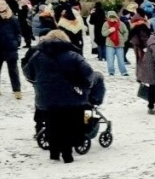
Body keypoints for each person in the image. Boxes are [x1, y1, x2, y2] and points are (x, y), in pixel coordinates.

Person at [21, 29, 102, 163]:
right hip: (71, 97)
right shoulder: (73, 55)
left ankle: (54, 153)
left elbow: (28, 73)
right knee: (70, 125)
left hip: (46, 97)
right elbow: (88, 74)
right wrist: (85, 85)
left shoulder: (38, 55)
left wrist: (40, 83)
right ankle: (67, 154)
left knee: (52, 124)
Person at [102, 11, 129, 76]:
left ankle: (123, 72)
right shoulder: (106, 24)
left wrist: (124, 39)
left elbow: (126, 32)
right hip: (110, 44)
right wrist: (109, 30)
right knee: (110, 59)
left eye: (113, 17)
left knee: (121, 59)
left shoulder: (121, 24)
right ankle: (111, 71)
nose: (112, 19)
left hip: (120, 44)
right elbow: (103, 34)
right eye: (110, 17)